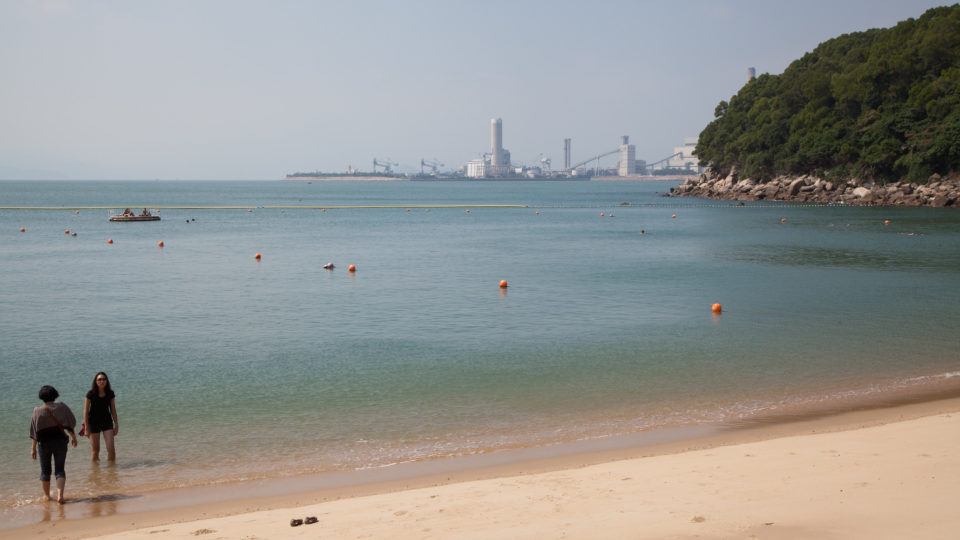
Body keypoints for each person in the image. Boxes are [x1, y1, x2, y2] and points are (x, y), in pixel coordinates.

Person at [29, 385, 78, 503]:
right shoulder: (62, 407)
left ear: (42, 397)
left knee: (45, 471)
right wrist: (73, 437)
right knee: (60, 470)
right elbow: (70, 423)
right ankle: (60, 496)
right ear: (55, 395)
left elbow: (35, 432)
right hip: (60, 442)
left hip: (44, 444)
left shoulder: (37, 411)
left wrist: (33, 448)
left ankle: (47, 497)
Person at [84, 372, 118, 462]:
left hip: (107, 421)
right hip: (93, 423)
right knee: (95, 451)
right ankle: (95, 473)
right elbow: (86, 411)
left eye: (104, 379)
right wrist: (86, 428)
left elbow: (113, 410)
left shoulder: (110, 393)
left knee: (111, 450)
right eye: (99, 379)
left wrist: (116, 424)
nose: (102, 381)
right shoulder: (90, 394)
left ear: (106, 381)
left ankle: (111, 472)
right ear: (96, 381)